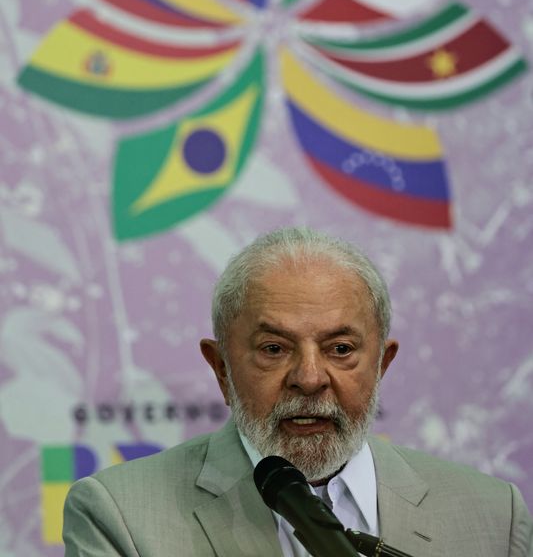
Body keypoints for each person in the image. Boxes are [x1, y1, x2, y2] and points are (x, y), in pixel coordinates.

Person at [63, 227, 533, 556]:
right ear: (221, 369)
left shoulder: (494, 516)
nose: (309, 378)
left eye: (341, 348)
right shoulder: (120, 516)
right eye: (274, 348)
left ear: (382, 365)